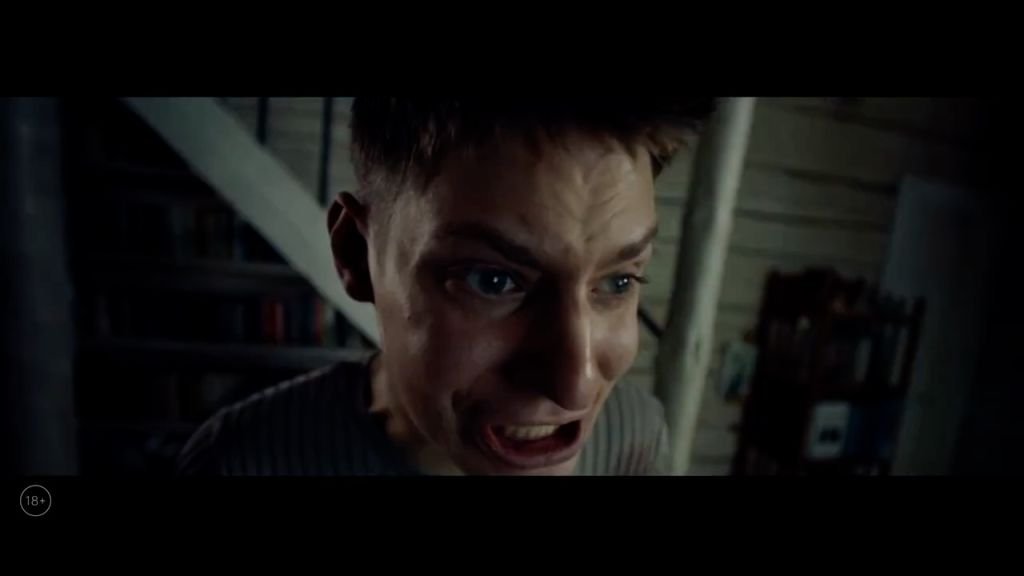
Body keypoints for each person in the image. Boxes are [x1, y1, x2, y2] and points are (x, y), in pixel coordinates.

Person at [178, 98, 714, 476]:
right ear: (357, 255)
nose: (574, 386)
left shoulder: (636, 434)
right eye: (493, 280)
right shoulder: (242, 462)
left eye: (619, 281)